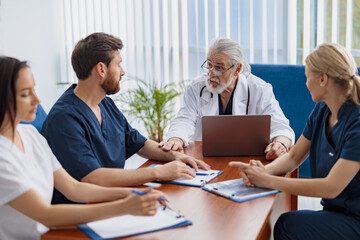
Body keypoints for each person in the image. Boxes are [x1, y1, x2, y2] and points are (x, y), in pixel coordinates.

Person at [0, 56, 165, 240]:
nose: (37, 100)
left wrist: (131, 193)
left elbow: (73, 187)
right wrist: (124, 206)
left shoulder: (30, 135)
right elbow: (45, 214)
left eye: (34, 90)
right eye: (25, 94)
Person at [41, 32, 210, 204]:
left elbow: (140, 143)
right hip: (83, 211)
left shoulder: (105, 104)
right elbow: (92, 177)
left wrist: (175, 157)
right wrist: (158, 172)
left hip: (113, 199)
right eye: (119, 65)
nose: (123, 72)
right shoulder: (64, 119)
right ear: (101, 69)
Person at [229, 43, 360, 239]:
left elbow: (331, 188)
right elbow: (294, 156)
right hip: (336, 212)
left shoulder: (356, 124)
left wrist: (269, 181)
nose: (306, 84)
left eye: (307, 77)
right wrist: (262, 171)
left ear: (323, 79)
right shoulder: (322, 111)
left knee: (288, 225)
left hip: (354, 219)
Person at [160, 38, 295, 160]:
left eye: (219, 68)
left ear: (237, 69)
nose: (211, 73)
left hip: (250, 160)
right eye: (209, 65)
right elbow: (184, 119)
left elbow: (281, 126)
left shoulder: (259, 89)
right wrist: (176, 139)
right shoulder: (196, 87)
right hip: (204, 159)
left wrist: (280, 143)